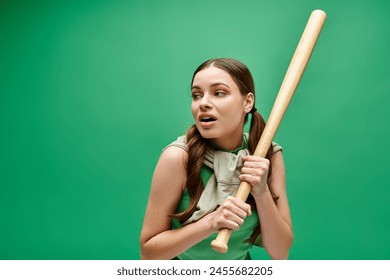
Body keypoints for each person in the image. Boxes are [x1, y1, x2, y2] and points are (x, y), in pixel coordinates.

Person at [140, 58, 293, 260]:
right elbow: (148, 254)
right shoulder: (177, 157)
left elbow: (280, 252)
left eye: (219, 93)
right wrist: (210, 223)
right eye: (196, 95)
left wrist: (262, 192)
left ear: (247, 102)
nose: (203, 103)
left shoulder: (268, 155)